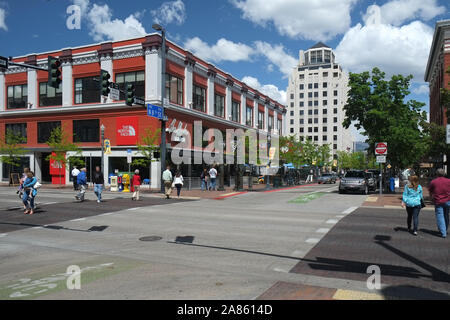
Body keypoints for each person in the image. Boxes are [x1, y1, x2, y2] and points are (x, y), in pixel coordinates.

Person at [428, 168, 450, 238]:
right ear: (444, 174)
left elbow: (430, 191)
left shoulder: (433, 182)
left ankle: (443, 232)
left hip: (438, 201)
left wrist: (431, 198)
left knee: (440, 216)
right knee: (446, 215)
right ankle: (444, 229)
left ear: (437, 174)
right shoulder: (449, 181)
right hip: (448, 200)